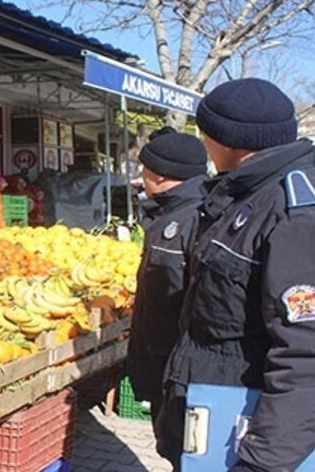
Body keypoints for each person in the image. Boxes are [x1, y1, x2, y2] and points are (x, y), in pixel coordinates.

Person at [156, 78, 315, 471]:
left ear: (225, 141)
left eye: (205, 135)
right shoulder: (250, 197)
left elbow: (314, 354)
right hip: (217, 419)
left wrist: (261, 462)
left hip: (251, 435)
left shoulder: (301, 217)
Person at [126, 131, 207, 451]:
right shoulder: (169, 213)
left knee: (180, 450)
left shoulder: (194, 218)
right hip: (165, 362)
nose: (140, 177)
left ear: (160, 174)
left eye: (144, 169)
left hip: (177, 367)